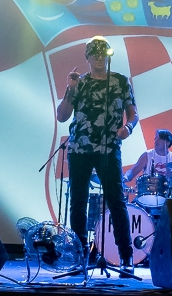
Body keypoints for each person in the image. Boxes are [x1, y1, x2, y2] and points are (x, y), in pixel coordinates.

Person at [56, 36, 139, 272]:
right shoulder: (79, 82)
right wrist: (70, 90)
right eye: (95, 54)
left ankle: (126, 257)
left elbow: (133, 113)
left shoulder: (120, 81)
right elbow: (62, 116)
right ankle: (80, 256)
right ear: (88, 57)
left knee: (116, 201)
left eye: (103, 53)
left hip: (109, 148)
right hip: (80, 149)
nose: (99, 57)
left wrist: (128, 128)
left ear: (108, 56)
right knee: (78, 202)